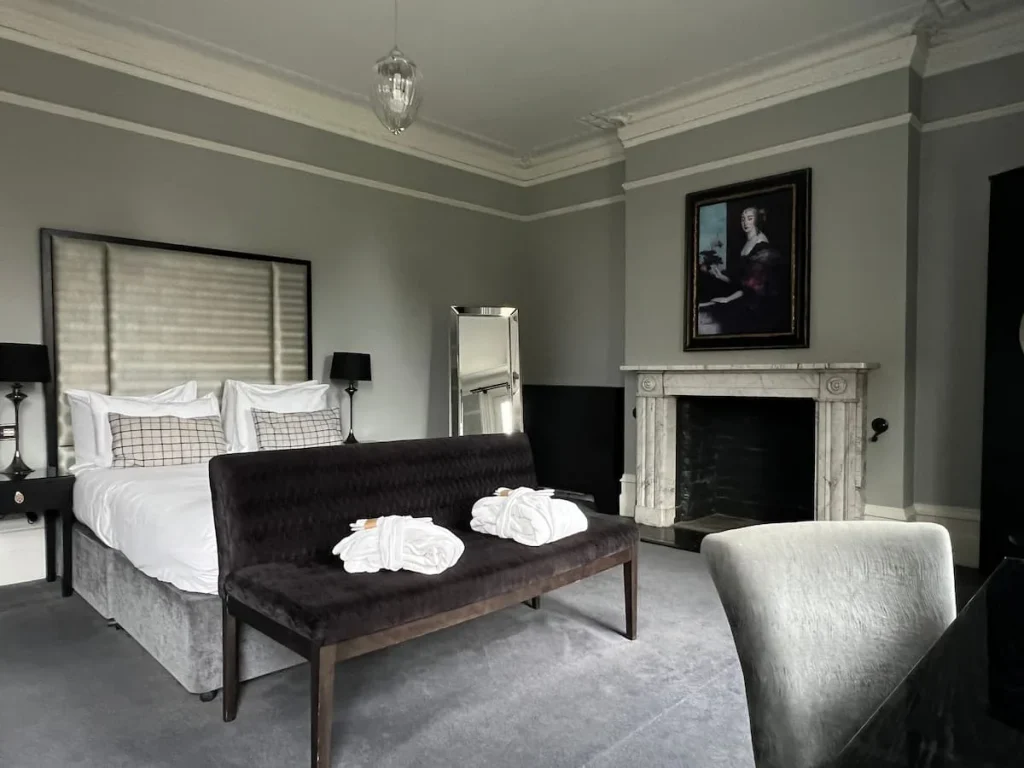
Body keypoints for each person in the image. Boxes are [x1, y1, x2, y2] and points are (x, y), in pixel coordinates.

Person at [697, 206, 787, 335]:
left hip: (756, 302)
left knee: (723, 314)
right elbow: (742, 280)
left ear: (756, 221)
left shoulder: (762, 247)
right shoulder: (747, 242)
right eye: (743, 219)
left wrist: (728, 299)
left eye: (750, 218)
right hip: (745, 294)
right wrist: (720, 276)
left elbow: (752, 287)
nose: (745, 222)